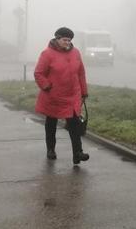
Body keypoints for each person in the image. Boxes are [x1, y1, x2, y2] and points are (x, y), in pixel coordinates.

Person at [34, 27, 90, 166]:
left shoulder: (76, 53)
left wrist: (84, 91)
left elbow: (81, 73)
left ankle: (78, 153)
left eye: (69, 40)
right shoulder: (47, 54)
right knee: (51, 123)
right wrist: (47, 86)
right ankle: (51, 149)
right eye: (65, 40)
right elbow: (38, 73)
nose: (67, 43)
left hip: (72, 96)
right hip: (54, 96)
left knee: (74, 125)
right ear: (57, 39)